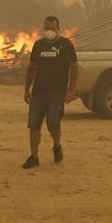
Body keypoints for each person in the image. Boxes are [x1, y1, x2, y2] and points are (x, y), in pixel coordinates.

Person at [22, 16, 78, 169]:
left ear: (58, 29)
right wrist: (27, 89)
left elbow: (74, 67)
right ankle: (33, 157)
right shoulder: (38, 45)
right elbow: (31, 68)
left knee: (53, 125)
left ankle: (57, 145)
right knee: (34, 125)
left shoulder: (65, 45)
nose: (49, 31)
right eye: (47, 28)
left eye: (52, 29)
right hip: (39, 93)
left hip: (57, 94)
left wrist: (70, 90)